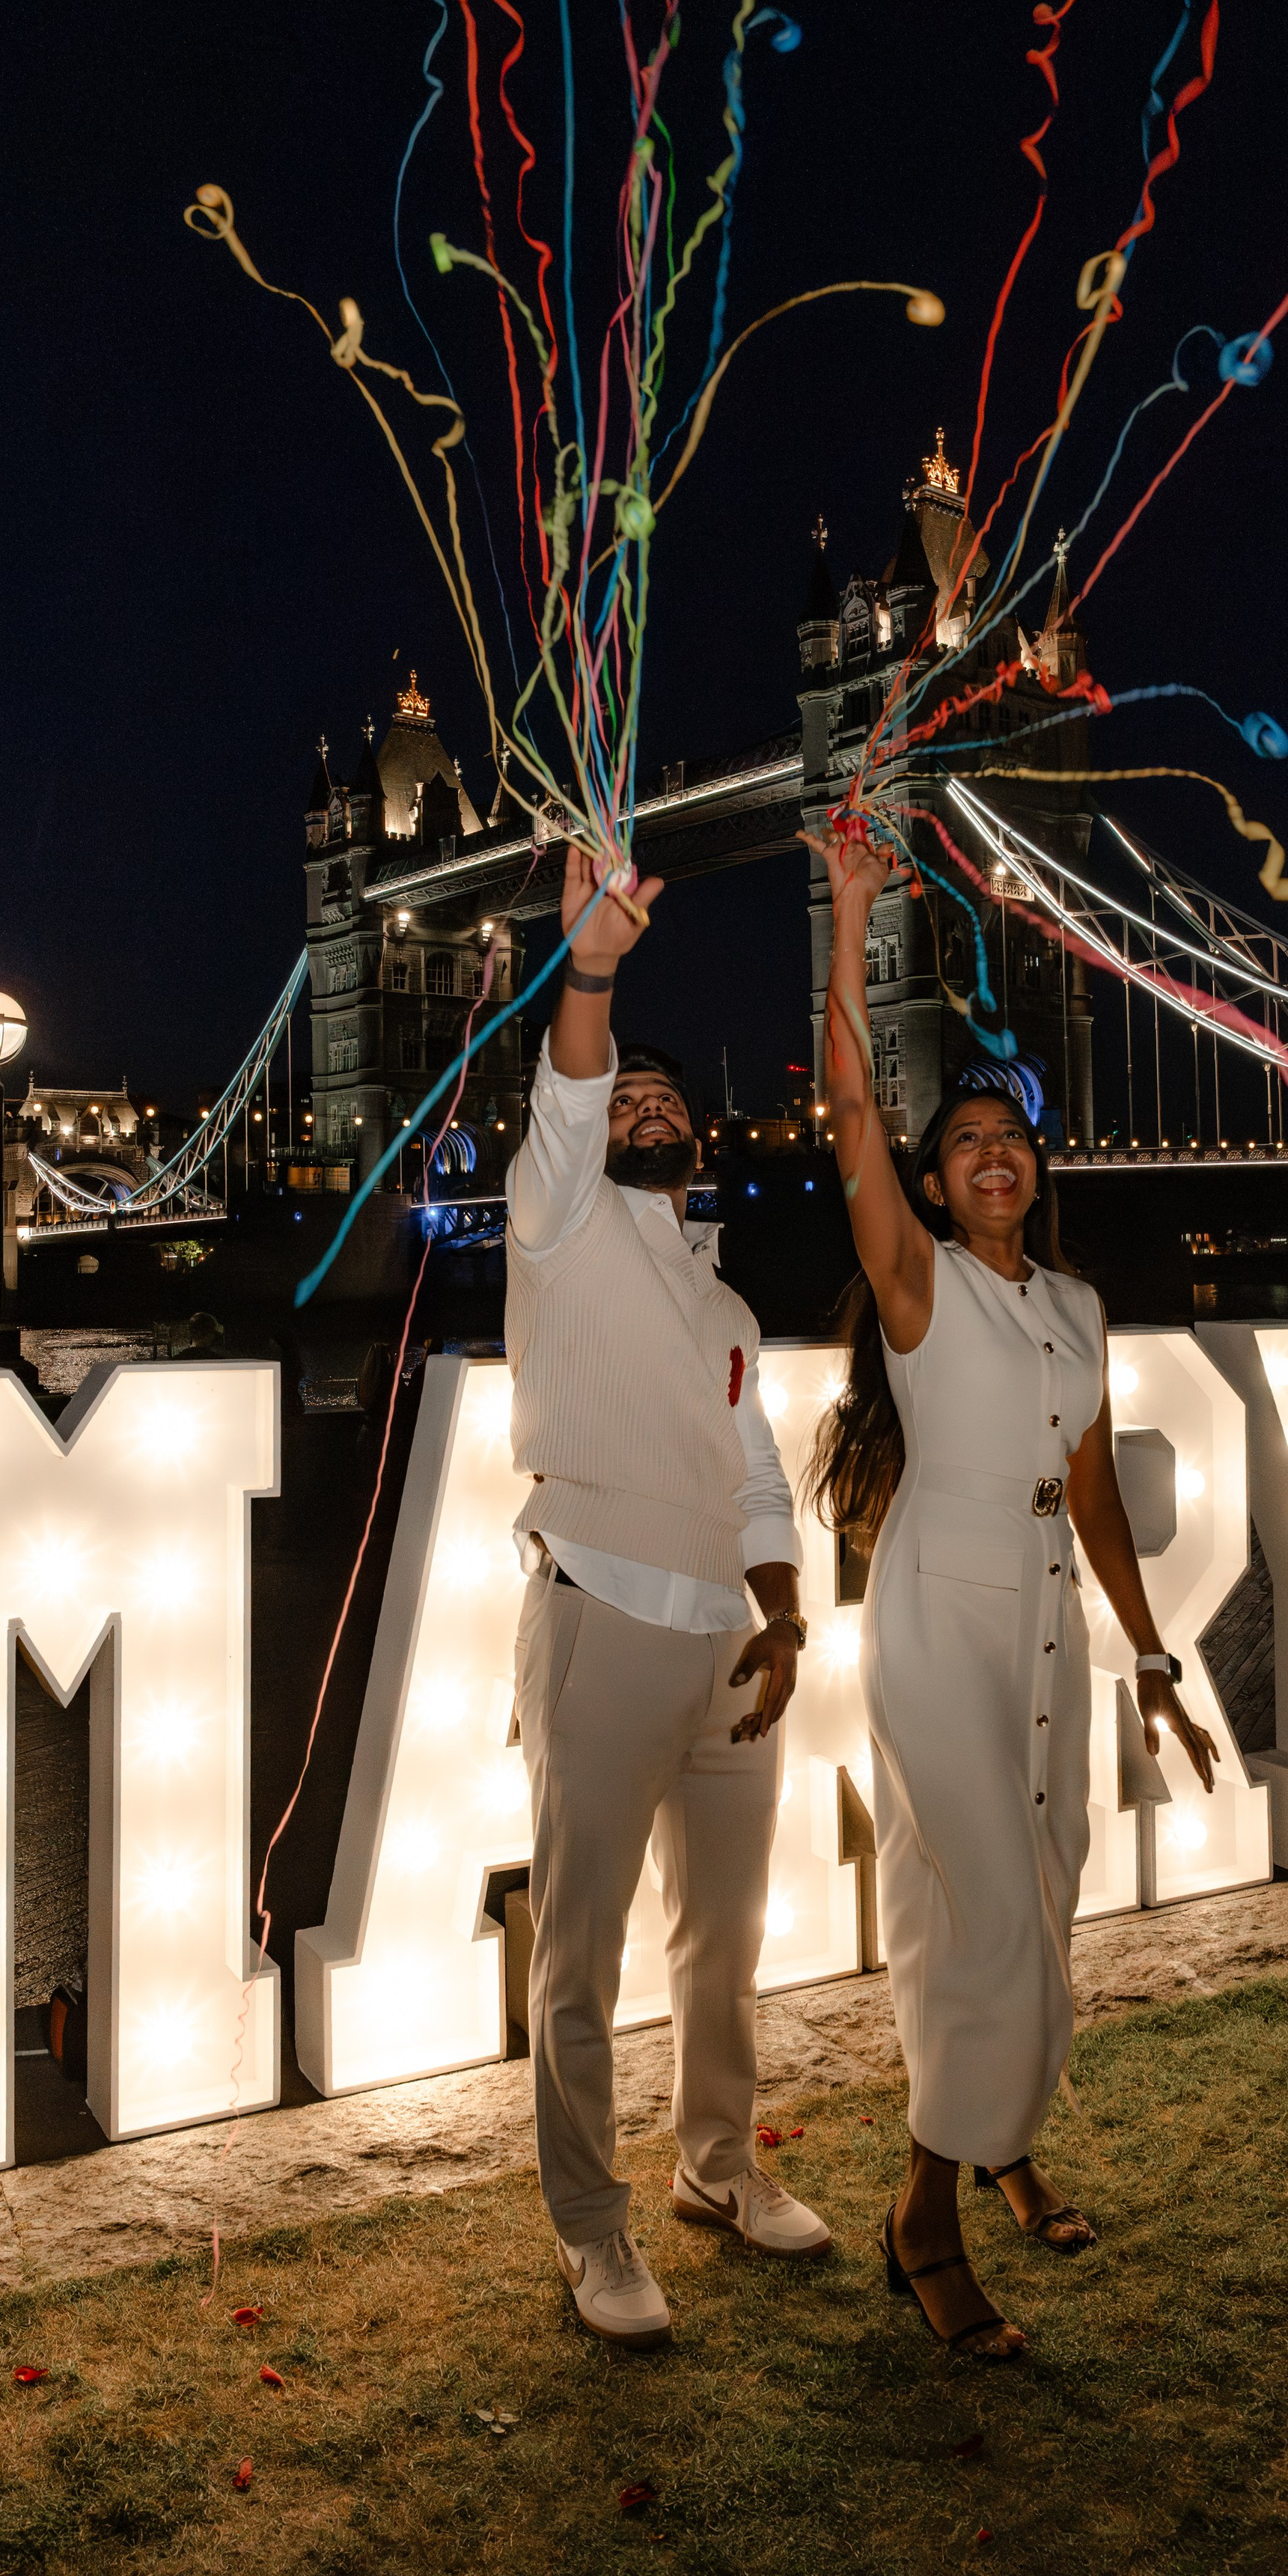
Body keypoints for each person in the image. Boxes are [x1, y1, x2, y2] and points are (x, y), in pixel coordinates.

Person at [805, 826, 1218, 2361]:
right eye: (963, 1139)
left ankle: (993, 2137)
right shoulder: (920, 1286)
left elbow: (1096, 1495)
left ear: (1036, 1171)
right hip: (935, 1609)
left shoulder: (1075, 1307)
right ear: (931, 1180)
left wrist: (1157, 1659)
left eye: (1013, 1138)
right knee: (985, 1910)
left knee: (1035, 1898)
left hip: (1045, 1606)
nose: (992, 1152)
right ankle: (926, 2215)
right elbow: (847, 1108)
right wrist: (850, 914)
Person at [504, 843, 833, 2351]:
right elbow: (573, 1078)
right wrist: (591, 965)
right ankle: (591, 2229)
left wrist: (781, 1608)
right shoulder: (556, 1222)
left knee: (727, 1938)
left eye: (668, 1105)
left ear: (697, 1145)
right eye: (625, 1102)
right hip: (603, 1618)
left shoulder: (722, 1303)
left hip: (723, 1647)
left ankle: (716, 2170)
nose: (645, 1111)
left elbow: (755, 1471)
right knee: (579, 1953)